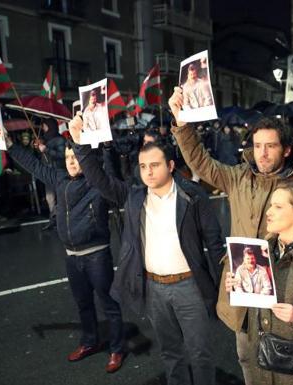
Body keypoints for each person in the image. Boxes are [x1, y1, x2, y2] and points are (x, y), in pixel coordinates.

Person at [68, 114, 225, 385]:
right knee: (170, 352)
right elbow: (98, 179)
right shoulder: (134, 197)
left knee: (200, 353)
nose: (148, 172)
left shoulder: (193, 196)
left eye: (154, 165)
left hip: (189, 287)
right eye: (143, 166)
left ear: (171, 165)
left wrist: (223, 286)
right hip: (154, 289)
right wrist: (80, 144)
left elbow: (214, 244)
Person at [168, 87, 293, 384]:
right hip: (242, 289)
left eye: (270, 146)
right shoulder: (238, 177)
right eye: (258, 146)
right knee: (246, 355)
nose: (263, 153)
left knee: (281, 362)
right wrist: (181, 124)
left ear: (287, 149)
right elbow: (201, 163)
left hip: (280, 294)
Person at [0, 130, 125, 372]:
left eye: (76, 157)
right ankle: (90, 342)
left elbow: (114, 176)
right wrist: (10, 145)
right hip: (72, 256)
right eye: (68, 157)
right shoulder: (59, 178)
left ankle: (117, 349)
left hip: (97, 254)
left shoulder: (97, 182)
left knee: (109, 304)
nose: (71, 162)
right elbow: (34, 165)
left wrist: (108, 149)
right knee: (83, 304)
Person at [225, 182, 293, 385]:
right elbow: (252, 299)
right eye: (271, 205)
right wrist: (235, 286)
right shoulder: (260, 249)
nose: (269, 212)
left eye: (278, 207)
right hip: (259, 357)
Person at [37, 118, 66, 230]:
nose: (43, 128)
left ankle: (59, 221)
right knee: (50, 198)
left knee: (59, 198)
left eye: (45, 126)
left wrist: (46, 150)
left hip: (58, 172)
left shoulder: (59, 139)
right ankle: (53, 220)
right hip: (48, 172)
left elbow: (62, 155)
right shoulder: (45, 139)